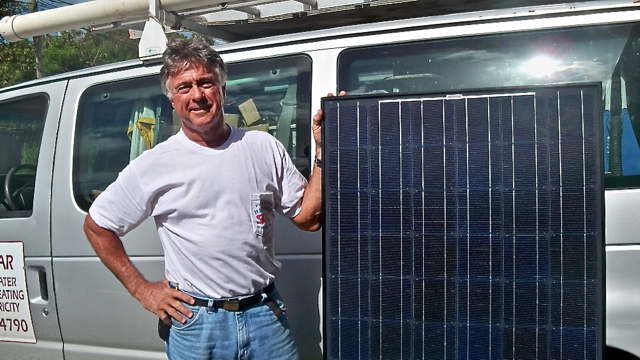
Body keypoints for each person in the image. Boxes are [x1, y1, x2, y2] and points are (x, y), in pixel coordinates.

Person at [83, 37, 329, 360]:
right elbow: (97, 226)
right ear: (172, 100)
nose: (197, 95)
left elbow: (309, 218)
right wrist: (144, 292)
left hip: (265, 317)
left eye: (206, 83)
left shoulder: (263, 148)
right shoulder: (155, 164)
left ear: (222, 91)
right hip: (198, 325)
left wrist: (324, 153)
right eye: (184, 88)